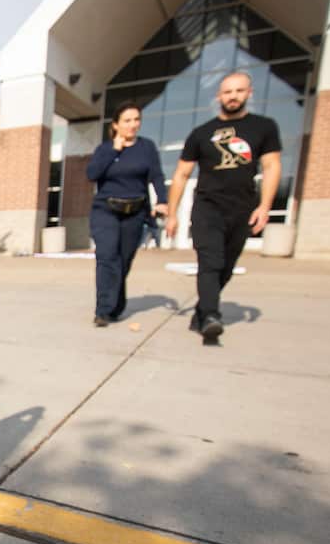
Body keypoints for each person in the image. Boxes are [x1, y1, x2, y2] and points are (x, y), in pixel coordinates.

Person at [166, 71, 281, 345]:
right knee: (210, 262)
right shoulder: (201, 133)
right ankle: (211, 317)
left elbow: (271, 166)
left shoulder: (263, 128)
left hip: (242, 206)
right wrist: (172, 213)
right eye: (228, 92)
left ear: (249, 93)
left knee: (226, 266)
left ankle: (201, 312)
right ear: (219, 96)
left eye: (239, 91)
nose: (233, 96)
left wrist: (265, 206)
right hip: (208, 206)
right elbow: (181, 174)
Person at [85, 102, 168, 326]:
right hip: (106, 211)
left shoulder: (146, 147)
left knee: (123, 262)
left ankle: (115, 306)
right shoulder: (105, 149)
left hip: (135, 212)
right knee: (107, 258)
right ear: (116, 125)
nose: (132, 125)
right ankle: (103, 310)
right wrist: (115, 150)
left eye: (136, 120)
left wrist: (162, 201)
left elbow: (157, 176)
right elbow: (92, 174)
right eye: (127, 121)